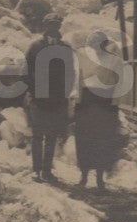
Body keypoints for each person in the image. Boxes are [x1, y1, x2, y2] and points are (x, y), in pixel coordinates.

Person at [24, 13, 76, 183]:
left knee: (51, 136)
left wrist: (65, 94)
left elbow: (70, 73)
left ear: (59, 27)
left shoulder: (66, 48)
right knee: (38, 136)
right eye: (50, 25)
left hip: (57, 100)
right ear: (45, 27)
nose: (53, 29)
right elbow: (25, 72)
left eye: (56, 25)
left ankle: (47, 171)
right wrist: (33, 92)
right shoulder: (35, 47)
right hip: (38, 99)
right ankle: (36, 170)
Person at [73, 30, 126, 190]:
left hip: (105, 104)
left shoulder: (115, 61)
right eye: (93, 45)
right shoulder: (84, 59)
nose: (96, 48)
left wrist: (115, 105)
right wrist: (77, 103)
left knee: (103, 140)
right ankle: (83, 175)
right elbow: (78, 81)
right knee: (84, 140)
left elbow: (120, 85)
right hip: (87, 104)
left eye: (99, 44)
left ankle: (100, 178)